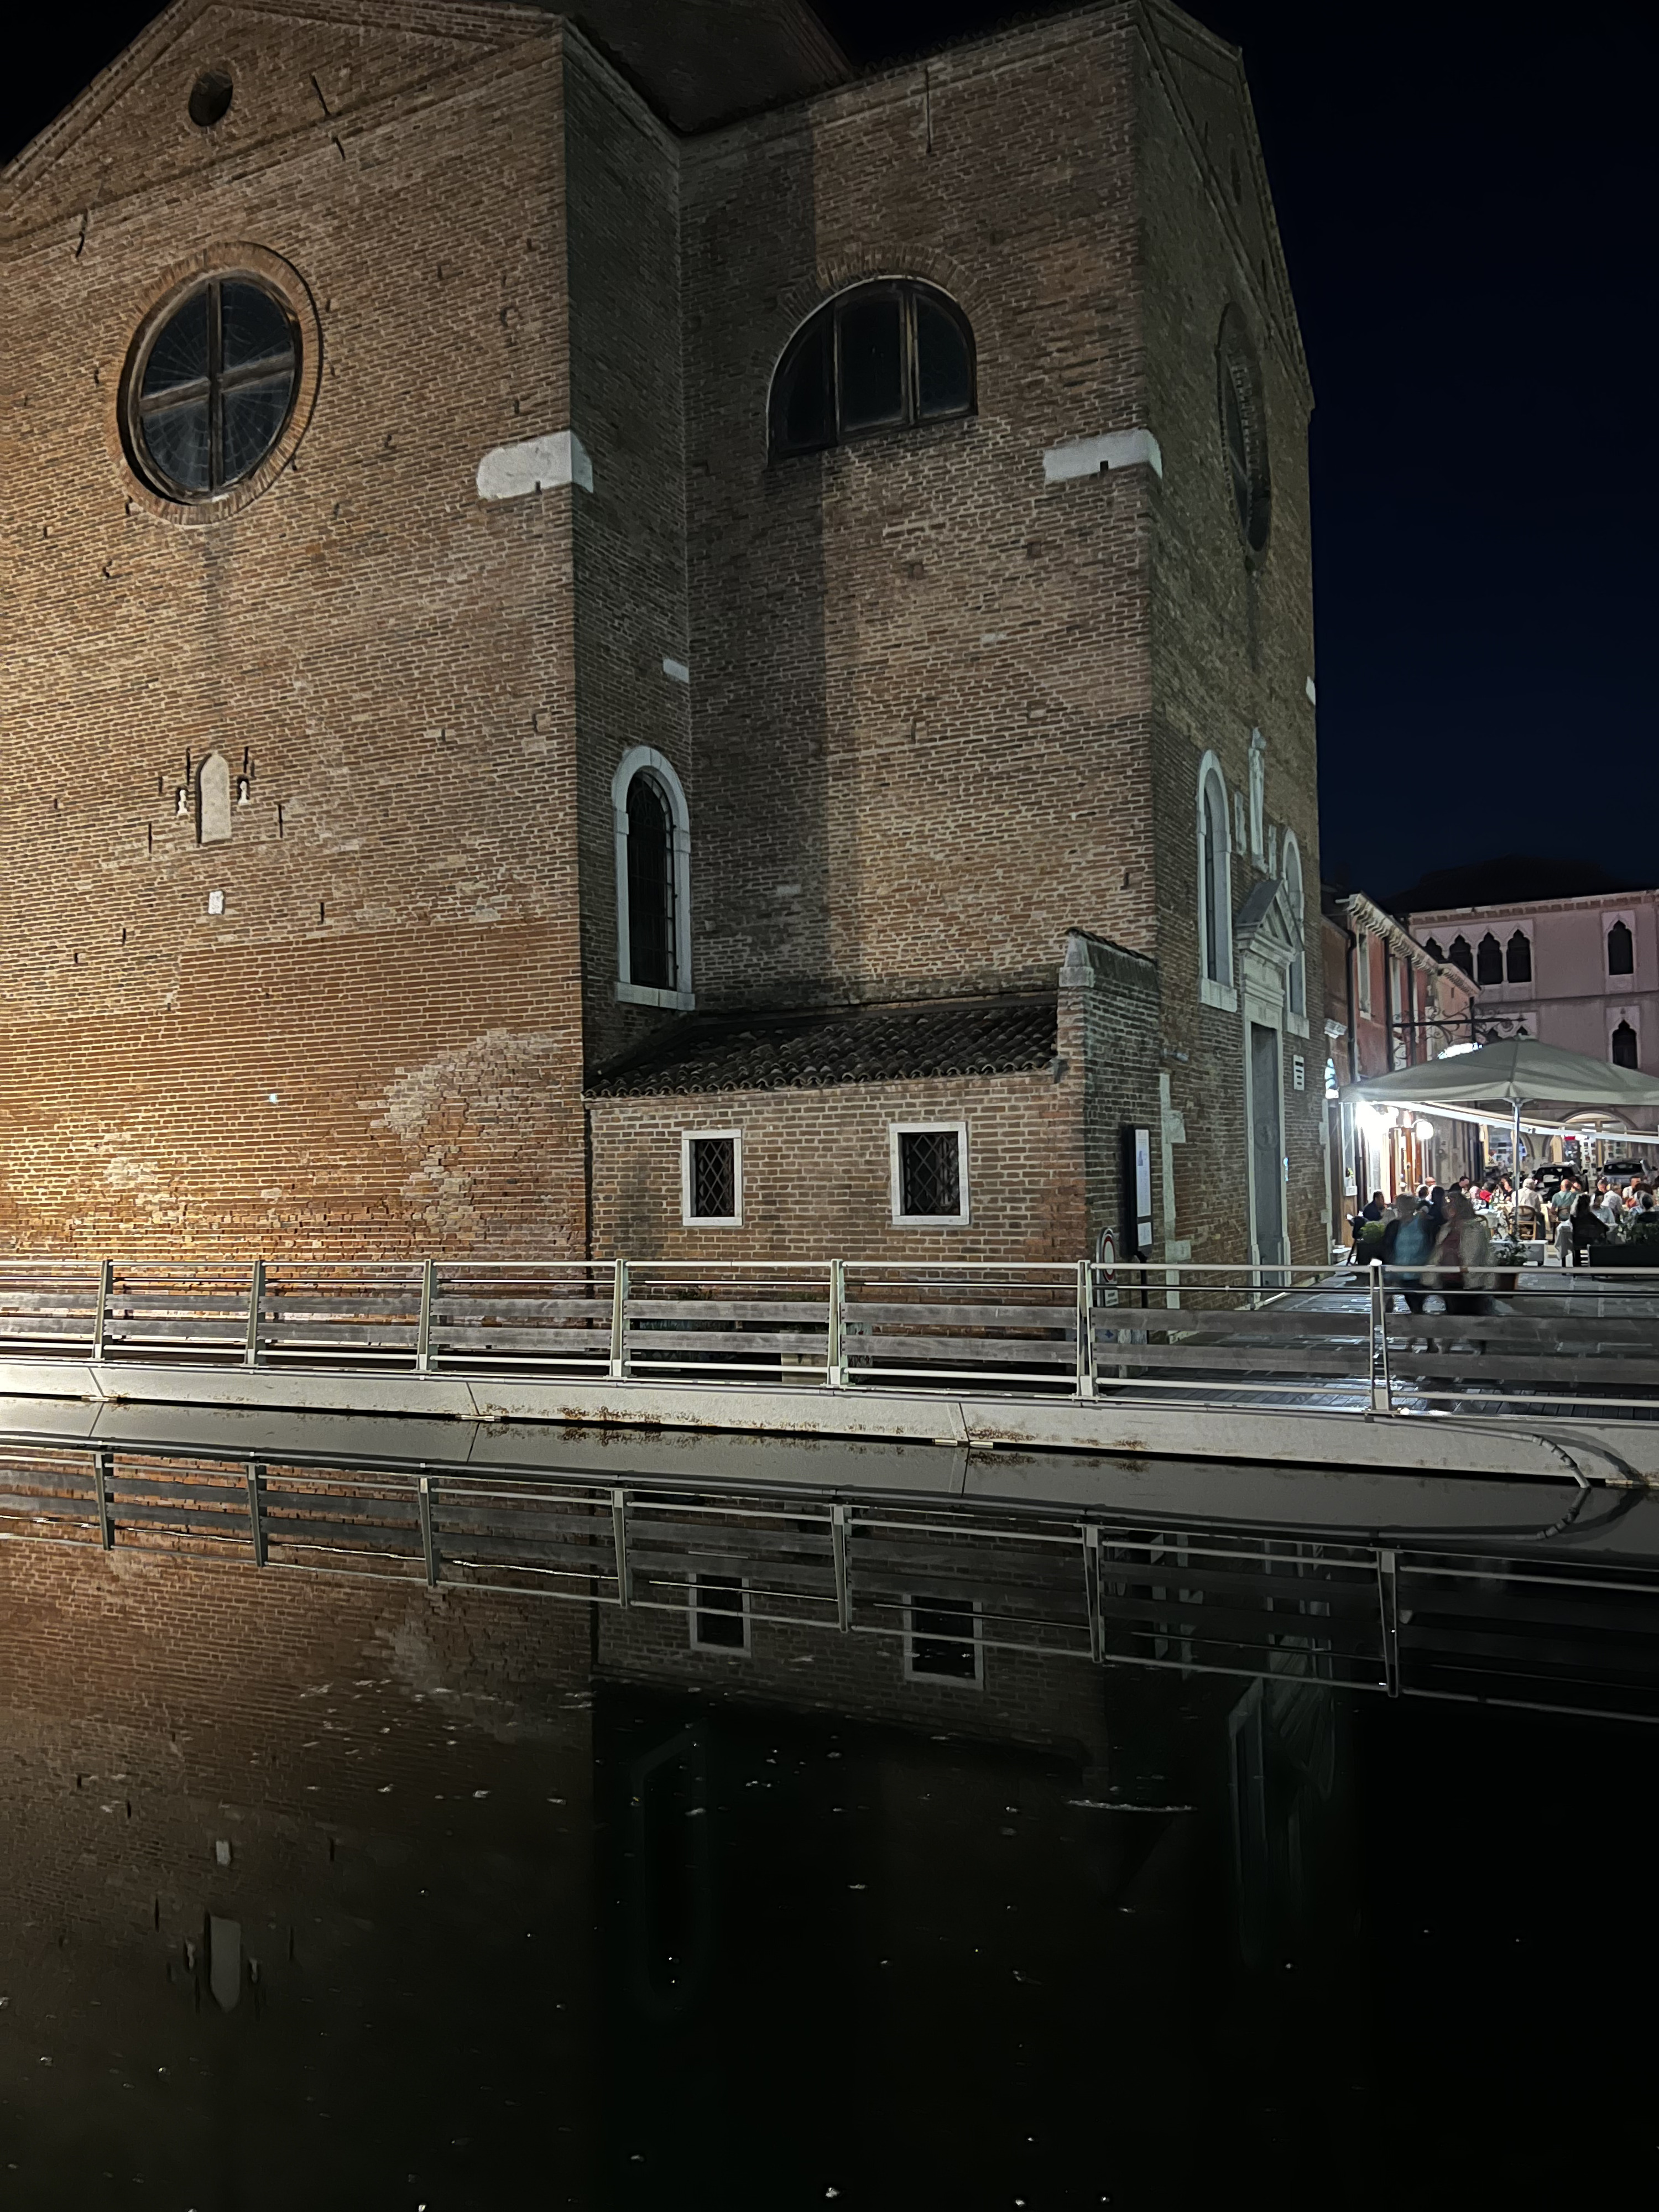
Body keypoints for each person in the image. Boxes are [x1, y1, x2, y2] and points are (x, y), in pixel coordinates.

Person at [1435, 1189, 1495, 1337]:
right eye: (1447, 1205)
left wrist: (1490, 1280)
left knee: (1473, 1319)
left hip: (1471, 1281)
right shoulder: (1446, 1228)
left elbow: (1487, 1254)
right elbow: (1439, 1252)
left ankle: (1477, 1347)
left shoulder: (1476, 1228)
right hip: (1449, 1280)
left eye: (1452, 1205)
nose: (1448, 1209)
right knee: (1453, 1317)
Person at [1384, 1192, 1435, 1319]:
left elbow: (1432, 1242)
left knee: (1417, 1304)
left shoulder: (1424, 1223)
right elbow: (1388, 1247)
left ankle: (1420, 1332)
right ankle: (1419, 1331)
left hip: (1420, 1270)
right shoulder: (1394, 1226)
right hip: (1402, 1271)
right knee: (1413, 1305)